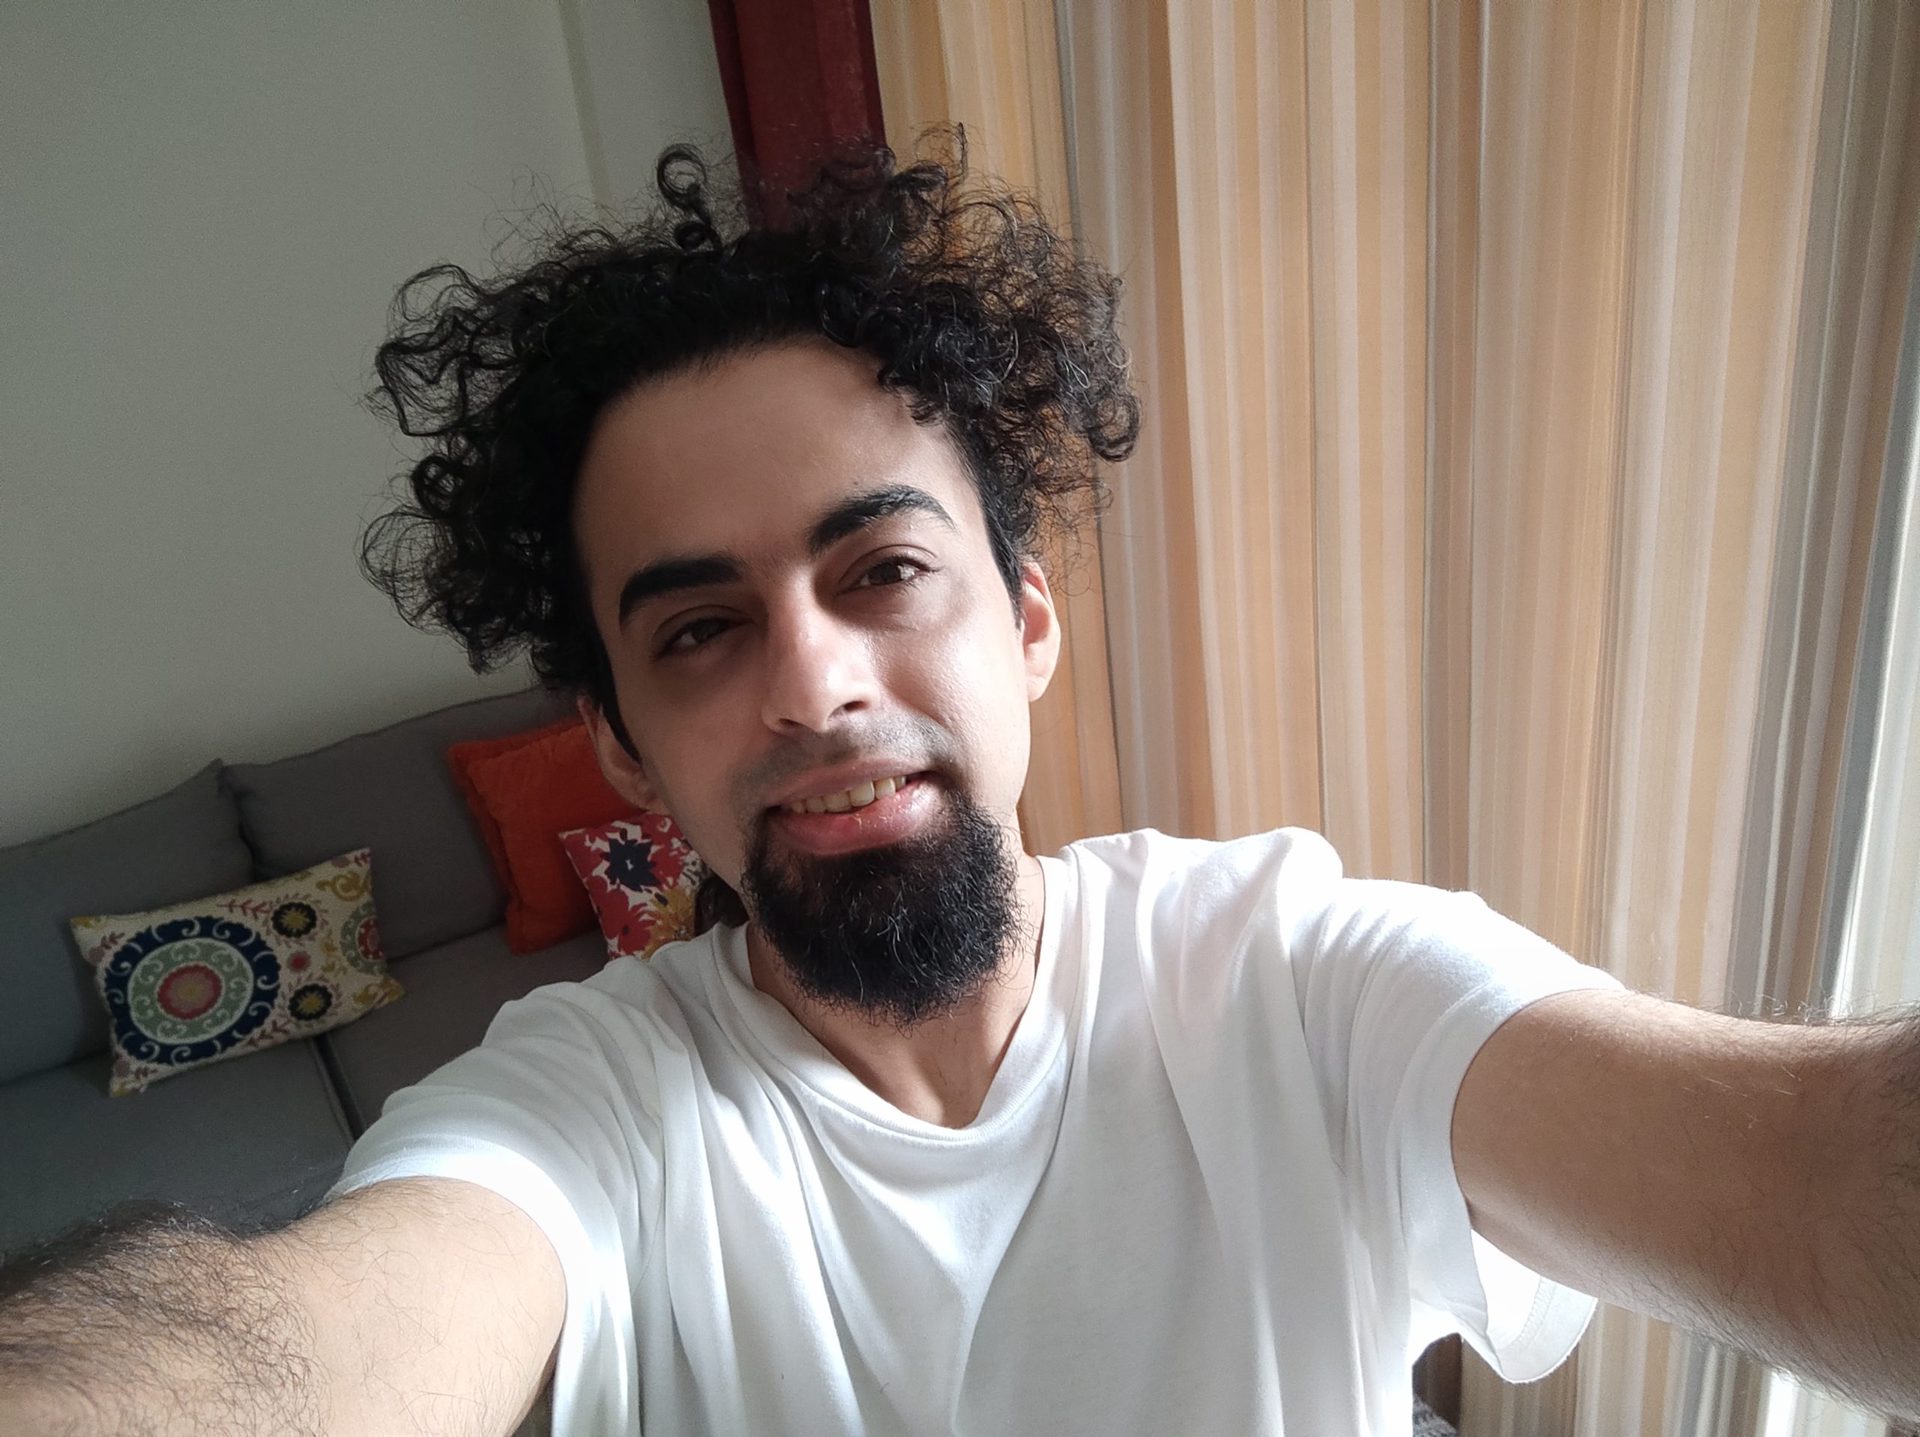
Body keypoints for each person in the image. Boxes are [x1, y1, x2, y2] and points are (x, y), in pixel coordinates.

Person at [2, 138, 1916, 1437]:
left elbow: (1801, 1175)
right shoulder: (589, 1115)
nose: (814, 681)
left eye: (884, 569)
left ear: (1028, 624)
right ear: (624, 746)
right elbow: (287, 1358)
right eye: (699, 629)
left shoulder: (1290, 973)